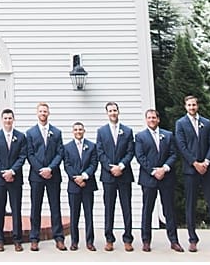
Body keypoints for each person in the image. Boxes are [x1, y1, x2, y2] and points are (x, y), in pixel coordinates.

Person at [174, 94, 210, 254]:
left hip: (207, 169)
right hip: (191, 170)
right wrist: (195, 163)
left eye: (194, 105)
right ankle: (192, 240)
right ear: (185, 107)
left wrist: (206, 162)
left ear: (198, 106)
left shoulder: (206, 123)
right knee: (191, 205)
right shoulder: (180, 124)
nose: (192, 107)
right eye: (189, 105)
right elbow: (181, 146)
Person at [134, 108, 182, 253]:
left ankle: (174, 241)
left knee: (169, 210)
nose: (152, 120)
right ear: (146, 120)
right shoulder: (140, 136)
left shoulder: (168, 135)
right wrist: (154, 171)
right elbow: (140, 156)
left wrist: (164, 168)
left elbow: (174, 154)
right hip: (148, 178)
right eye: (149, 118)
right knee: (147, 210)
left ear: (158, 119)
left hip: (166, 177)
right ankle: (146, 241)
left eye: (154, 117)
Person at [25, 101, 66, 250]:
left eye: (45, 111)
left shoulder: (56, 132)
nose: (43, 114)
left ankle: (59, 237)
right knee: (36, 207)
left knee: (55, 206)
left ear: (48, 113)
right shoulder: (30, 133)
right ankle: (34, 238)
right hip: (36, 176)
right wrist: (41, 169)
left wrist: (50, 168)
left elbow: (60, 152)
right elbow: (29, 154)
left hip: (53, 176)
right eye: (41, 111)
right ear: (37, 113)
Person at [96, 101, 136, 251]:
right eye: (110, 111)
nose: (113, 113)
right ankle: (109, 239)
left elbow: (130, 151)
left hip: (124, 175)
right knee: (109, 208)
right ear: (107, 113)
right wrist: (110, 167)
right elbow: (100, 152)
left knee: (126, 207)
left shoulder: (127, 131)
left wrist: (121, 166)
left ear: (118, 112)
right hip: (108, 176)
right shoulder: (101, 131)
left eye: (115, 110)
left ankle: (128, 239)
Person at [0, 108, 26, 251]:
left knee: (16, 209)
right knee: (0, 209)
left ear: (13, 119)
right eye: (5, 118)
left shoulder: (21, 137)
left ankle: (17, 240)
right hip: (0, 179)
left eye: (10, 118)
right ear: (2, 120)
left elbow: (22, 156)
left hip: (15, 179)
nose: (8, 121)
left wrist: (12, 171)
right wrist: (4, 172)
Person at [63, 121, 98, 251]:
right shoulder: (67, 147)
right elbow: (67, 165)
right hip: (73, 186)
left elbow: (94, 164)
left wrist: (84, 176)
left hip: (88, 185)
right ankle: (74, 242)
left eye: (80, 129)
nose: (78, 132)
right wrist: (76, 178)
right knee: (74, 215)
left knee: (89, 214)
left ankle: (90, 242)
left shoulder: (91, 146)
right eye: (76, 130)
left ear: (84, 131)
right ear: (73, 132)